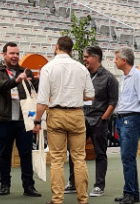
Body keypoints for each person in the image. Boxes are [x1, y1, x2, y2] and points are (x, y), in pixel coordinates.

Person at [33, 36, 95, 204]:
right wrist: (75, 95)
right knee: (79, 159)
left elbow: (42, 100)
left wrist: (37, 121)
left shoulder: (48, 68)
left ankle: (57, 199)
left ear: (56, 47)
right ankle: (83, 199)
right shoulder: (81, 68)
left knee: (57, 160)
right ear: (71, 50)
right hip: (76, 114)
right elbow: (90, 94)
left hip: (57, 114)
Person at [66, 46, 118, 198]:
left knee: (100, 153)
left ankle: (99, 186)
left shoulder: (109, 78)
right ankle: (73, 183)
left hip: (98, 121)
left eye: (87, 56)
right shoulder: (82, 74)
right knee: (74, 152)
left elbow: (113, 101)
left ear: (96, 58)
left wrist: (103, 118)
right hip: (81, 119)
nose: (84, 59)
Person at [0, 42, 41, 197]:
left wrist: (40, 79)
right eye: (11, 53)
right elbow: (0, 86)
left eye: (17, 53)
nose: (15, 56)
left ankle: (29, 186)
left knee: (26, 154)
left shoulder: (25, 71)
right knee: (4, 154)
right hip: (3, 120)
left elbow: (35, 90)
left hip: (23, 120)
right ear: (4, 55)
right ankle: (4, 185)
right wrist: (17, 80)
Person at [112, 48, 140, 204]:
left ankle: (130, 193)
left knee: (127, 158)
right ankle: (131, 192)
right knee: (127, 158)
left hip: (130, 120)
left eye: (116, 59)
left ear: (124, 60)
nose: (115, 61)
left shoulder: (138, 76)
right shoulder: (124, 77)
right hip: (123, 120)